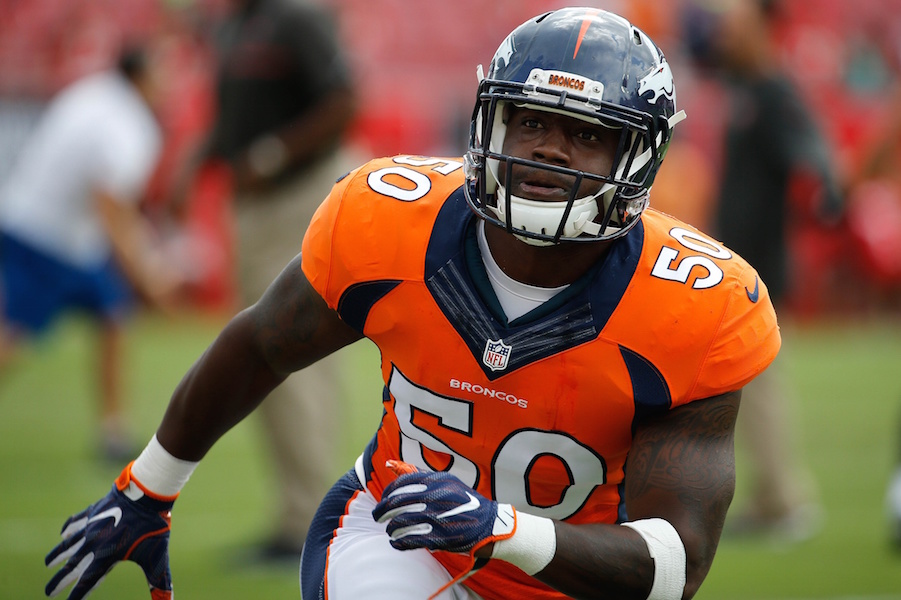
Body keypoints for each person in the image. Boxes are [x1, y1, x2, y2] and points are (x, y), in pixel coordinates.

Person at [44, 8, 781, 600]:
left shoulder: (698, 303)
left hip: (576, 575)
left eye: (587, 135)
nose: (550, 150)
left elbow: (672, 566)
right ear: (488, 122)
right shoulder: (393, 220)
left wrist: (500, 529)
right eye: (531, 121)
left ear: (637, 159)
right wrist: (147, 490)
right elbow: (262, 343)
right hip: (402, 537)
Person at [171, 0, 360, 561]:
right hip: (256, 203)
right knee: (266, 359)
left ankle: (305, 522)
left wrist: (273, 154)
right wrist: (198, 160)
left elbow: (343, 101)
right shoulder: (236, 23)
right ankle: (295, 516)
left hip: (298, 193)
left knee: (287, 353)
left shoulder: (296, 17)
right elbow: (237, 117)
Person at [0, 44, 185, 462]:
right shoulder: (128, 124)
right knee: (16, 337)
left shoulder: (93, 93)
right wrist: (147, 273)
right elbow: (111, 206)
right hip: (52, 238)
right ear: (142, 77)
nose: (168, 84)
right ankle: (113, 429)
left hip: (50, 228)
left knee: (114, 316)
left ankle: (113, 430)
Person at [700, 0, 842, 542]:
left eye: (738, 25)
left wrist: (827, 191)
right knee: (746, 384)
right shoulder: (748, 89)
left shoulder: (776, 93)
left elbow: (811, 150)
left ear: (764, 28)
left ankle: (785, 501)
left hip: (759, 262)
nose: (728, 34)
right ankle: (770, 497)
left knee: (758, 382)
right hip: (734, 260)